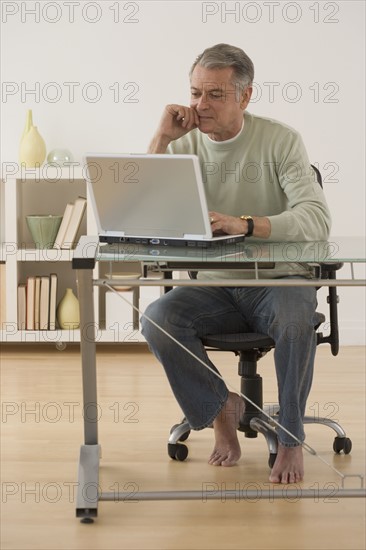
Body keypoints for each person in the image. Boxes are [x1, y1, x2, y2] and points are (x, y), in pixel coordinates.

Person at [141, 43, 331, 484]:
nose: (200, 105)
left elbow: (316, 218)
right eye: (194, 93)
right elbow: (144, 211)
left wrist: (245, 225)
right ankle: (222, 411)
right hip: (214, 287)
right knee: (157, 319)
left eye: (215, 95)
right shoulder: (182, 142)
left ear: (245, 97)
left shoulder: (280, 140)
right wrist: (160, 140)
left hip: (279, 282)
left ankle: (289, 438)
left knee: (294, 322)